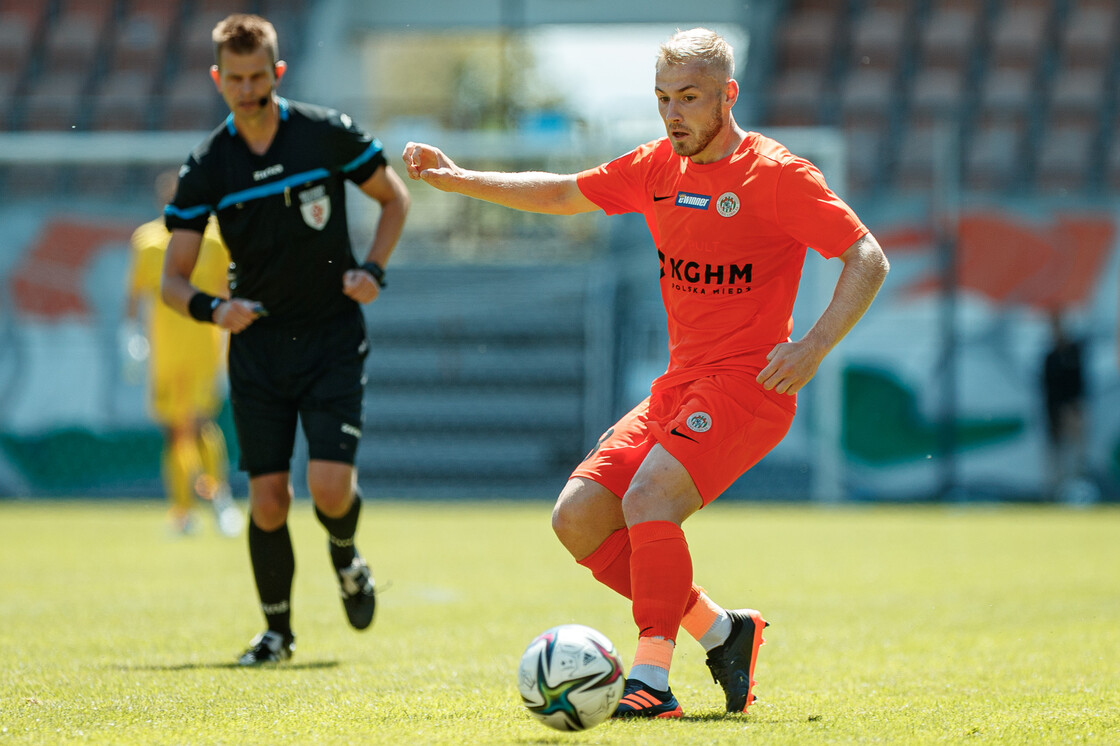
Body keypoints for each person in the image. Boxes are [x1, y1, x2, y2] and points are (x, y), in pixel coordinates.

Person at [403, 28, 888, 718]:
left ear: (728, 95)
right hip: (680, 385)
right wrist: (458, 178)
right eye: (663, 98)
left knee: (648, 498)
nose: (673, 113)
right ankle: (724, 634)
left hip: (750, 388)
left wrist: (812, 346)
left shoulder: (776, 174)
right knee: (577, 519)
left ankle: (652, 683)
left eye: (689, 98)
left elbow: (866, 257)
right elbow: (563, 193)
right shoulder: (658, 167)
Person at [161, 13, 410, 665]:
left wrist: (374, 270)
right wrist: (216, 309)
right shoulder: (208, 166)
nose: (248, 90)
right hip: (260, 350)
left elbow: (395, 198)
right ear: (218, 80)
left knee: (330, 489)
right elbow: (172, 281)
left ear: (277, 72)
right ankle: (277, 633)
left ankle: (346, 558)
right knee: (268, 501)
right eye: (234, 79)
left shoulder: (324, 135)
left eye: (257, 77)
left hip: (331, 337)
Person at [124, 169, 243, 538]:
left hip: (203, 348)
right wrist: (130, 339)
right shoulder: (147, 240)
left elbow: (228, 291)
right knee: (175, 431)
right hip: (165, 351)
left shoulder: (214, 239)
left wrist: (230, 339)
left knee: (198, 424)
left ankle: (219, 499)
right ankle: (183, 511)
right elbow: (136, 296)